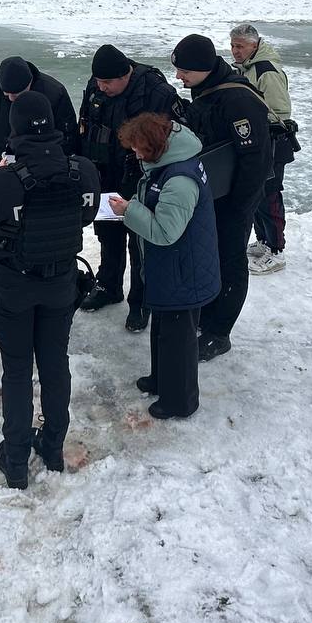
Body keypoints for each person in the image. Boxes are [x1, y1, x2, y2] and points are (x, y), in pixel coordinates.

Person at [0, 91, 100, 489]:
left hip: (14, 287)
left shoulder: (4, 180)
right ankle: (52, 447)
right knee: (55, 365)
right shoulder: (83, 170)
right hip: (59, 285)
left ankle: (17, 460)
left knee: (18, 372)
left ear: (14, 129)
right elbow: (88, 214)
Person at [108, 114, 220, 420]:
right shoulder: (168, 165)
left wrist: (130, 210)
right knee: (163, 329)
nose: (135, 154)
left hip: (184, 271)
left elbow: (166, 232)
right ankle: (161, 380)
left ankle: (179, 401)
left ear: (155, 147)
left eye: (138, 149)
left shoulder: (179, 181)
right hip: (175, 267)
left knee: (178, 339)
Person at [171, 34, 273, 362]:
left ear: (202, 68)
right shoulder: (206, 88)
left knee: (230, 261)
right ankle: (208, 314)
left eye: (184, 71)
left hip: (234, 199)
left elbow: (255, 161)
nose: (178, 77)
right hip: (212, 192)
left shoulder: (238, 100)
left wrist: (237, 209)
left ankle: (219, 332)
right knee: (209, 256)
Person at [78, 44, 184, 331]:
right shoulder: (96, 85)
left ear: (126, 74)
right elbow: (84, 125)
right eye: (98, 81)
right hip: (106, 177)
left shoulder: (156, 92)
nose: (102, 87)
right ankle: (109, 286)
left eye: (108, 82)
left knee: (140, 244)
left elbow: (173, 140)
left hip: (142, 180)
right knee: (108, 236)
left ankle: (141, 301)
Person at [230, 23, 295, 275]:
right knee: (256, 194)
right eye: (233, 45)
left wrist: (256, 126)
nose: (235, 51)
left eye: (240, 46)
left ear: (254, 46)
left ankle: (276, 250)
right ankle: (264, 241)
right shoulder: (247, 67)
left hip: (273, 142)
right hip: (259, 142)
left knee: (269, 193)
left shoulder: (265, 71)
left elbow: (279, 111)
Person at [0, 56, 78, 182]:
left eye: (16, 94)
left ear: (30, 83)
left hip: (40, 173)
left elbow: (68, 136)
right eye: (6, 94)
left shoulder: (54, 93)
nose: (11, 98)